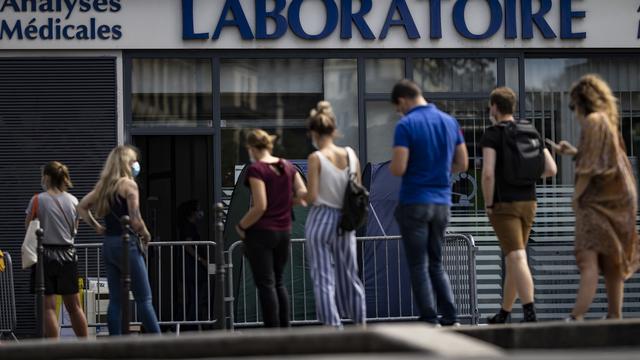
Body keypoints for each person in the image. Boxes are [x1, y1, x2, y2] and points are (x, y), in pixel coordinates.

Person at [554, 75, 639, 320]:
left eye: (572, 107)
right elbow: (605, 160)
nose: (574, 113)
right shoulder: (607, 122)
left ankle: (576, 317)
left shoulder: (592, 122)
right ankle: (614, 316)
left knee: (587, 256)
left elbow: (589, 169)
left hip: (599, 200)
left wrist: (576, 197)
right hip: (621, 198)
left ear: (580, 102)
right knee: (612, 260)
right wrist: (574, 152)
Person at [389, 80, 468, 326]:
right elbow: (463, 163)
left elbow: (399, 167)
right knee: (436, 262)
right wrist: (441, 172)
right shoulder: (449, 121)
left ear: (402, 100)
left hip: (415, 200)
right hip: (442, 202)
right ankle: (451, 316)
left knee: (418, 264)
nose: (399, 112)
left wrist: (397, 165)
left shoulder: (406, 125)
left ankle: (429, 317)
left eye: (398, 107)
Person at [480, 87, 558, 324]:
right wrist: (525, 177)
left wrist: (488, 203)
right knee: (514, 257)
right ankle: (504, 313)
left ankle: (529, 312)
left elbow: (488, 174)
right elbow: (551, 169)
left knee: (515, 257)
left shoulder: (492, 134)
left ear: (494, 107)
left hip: (504, 204)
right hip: (529, 202)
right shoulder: (529, 129)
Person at [77, 145, 160, 335]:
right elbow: (136, 220)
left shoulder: (103, 187)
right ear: (126, 163)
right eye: (133, 161)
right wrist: (146, 234)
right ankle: (160, 343)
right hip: (127, 245)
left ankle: (116, 345)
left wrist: (97, 227)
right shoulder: (129, 185)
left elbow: (82, 206)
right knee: (144, 299)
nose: (136, 165)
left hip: (109, 244)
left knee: (115, 300)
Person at [235, 129, 307, 328]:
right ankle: (285, 330)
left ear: (251, 148)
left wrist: (241, 226)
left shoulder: (256, 170)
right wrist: (285, 203)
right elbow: (303, 195)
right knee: (279, 282)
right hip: (284, 231)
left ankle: (272, 332)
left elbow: (260, 206)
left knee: (265, 284)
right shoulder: (287, 166)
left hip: (262, 233)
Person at [304, 101, 367, 328]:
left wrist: (300, 194)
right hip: (345, 220)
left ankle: (333, 327)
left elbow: (311, 197)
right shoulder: (351, 155)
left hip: (321, 218)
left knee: (323, 277)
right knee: (349, 274)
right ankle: (360, 325)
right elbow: (358, 188)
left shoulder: (316, 158)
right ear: (334, 130)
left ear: (313, 132)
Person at [25, 161, 88, 338]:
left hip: (45, 255)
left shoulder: (37, 200)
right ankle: (87, 349)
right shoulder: (73, 201)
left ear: (46, 177)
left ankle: (55, 351)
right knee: (74, 307)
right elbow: (74, 230)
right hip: (68, 254)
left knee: (49, 308)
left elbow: (28, 227)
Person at [177, 200, 209, 328]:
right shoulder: (188, 227)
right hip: (193, 267)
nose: (200, 213)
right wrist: (201, 260)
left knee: (194, 297)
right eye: (198, 210)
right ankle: (192, 325)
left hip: (193, 267)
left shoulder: (190, 226)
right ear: (192, 212)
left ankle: (193, 324)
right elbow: (188, 246)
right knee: (195, 297)